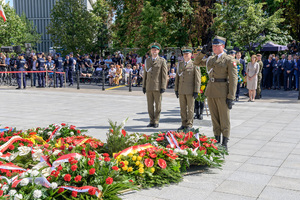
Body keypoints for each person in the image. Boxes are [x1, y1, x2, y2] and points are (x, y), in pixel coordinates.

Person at [194, 36, 238, 150]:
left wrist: (231, 97)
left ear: (222, 46)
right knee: (214, 118)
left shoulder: (228, 60)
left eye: (216, 46)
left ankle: (225, 142)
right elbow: (196, 62)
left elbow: (234, 79)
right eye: (213, 46)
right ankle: (217, 140)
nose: (214, 48)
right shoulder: (211, 59)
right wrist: (203, 52)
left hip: (223, 92)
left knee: (224, 118)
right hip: (211, 91)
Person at [175, 46, 201, 130]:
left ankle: (189, 124)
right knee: (182, 108)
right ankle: (183, 123)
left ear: (191, 55)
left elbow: (197, 79)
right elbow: (177, 78)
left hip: (190, 90)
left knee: (190, 108)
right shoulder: (180, 64)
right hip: (181, 90)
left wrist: (196, 90)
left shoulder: (194, 64)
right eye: (184, 54)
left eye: (187, 53)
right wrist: (176, 89)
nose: (185, 55)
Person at [143, 42, 168, 128]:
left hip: (158, 87)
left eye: (156, 50)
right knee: (150, 105)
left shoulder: (162, 61)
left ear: (158, 51)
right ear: (150, 51)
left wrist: (163, 86)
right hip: (149, 86)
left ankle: (156, 121)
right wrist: (143, 86)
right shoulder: (147, 61)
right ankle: (151, 121)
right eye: (153, 50)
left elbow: (164, 75)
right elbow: (145, 74)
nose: (154, 51)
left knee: (158, 105)